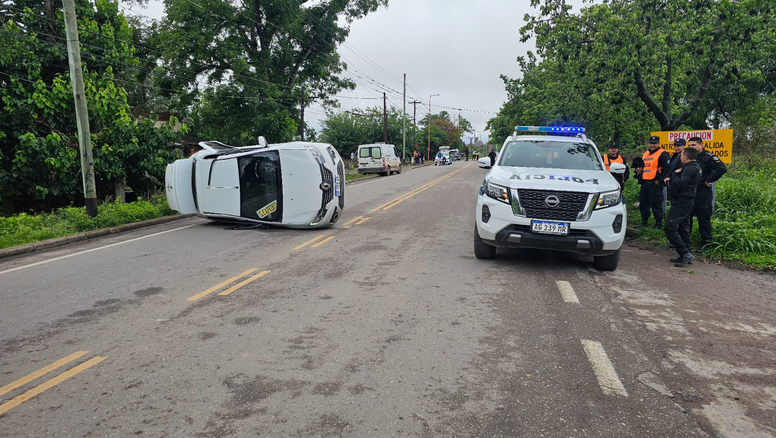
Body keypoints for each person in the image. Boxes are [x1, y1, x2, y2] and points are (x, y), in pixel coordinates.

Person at [685, 136, 728, 253]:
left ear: (701, 145)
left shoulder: (708, 157)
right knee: (687, 216)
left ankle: (705, 242)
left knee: (703, 217)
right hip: (690, 191)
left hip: (702, 192)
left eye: (694, 145)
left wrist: (709, 179)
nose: (691, 147)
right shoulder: (688, 157)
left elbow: (722, 168)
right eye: (690, 145)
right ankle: (686, 241)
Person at [664, 147, 702, 267]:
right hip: (687, 200)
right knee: (682, 228)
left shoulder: (690, 168)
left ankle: (685, 253)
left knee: (670, 227)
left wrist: (674, 176)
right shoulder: (695, 167)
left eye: (681, 155)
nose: (680, 157)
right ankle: (686, 254)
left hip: (683, 201)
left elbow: (681, 184)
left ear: (685, 156)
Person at [635, 136, 670, 228]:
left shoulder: (663, 154)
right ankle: (644, 222)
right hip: (645, 182)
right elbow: (644, 167)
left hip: (655, 183)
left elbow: (667, 170)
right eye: (651, 143)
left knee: (656, 204)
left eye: (654, 143)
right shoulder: (646, 154)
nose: (652, 145)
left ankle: (658, 223)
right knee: (643, 203)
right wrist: (638, 170)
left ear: (658, 144)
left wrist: (659, 181)